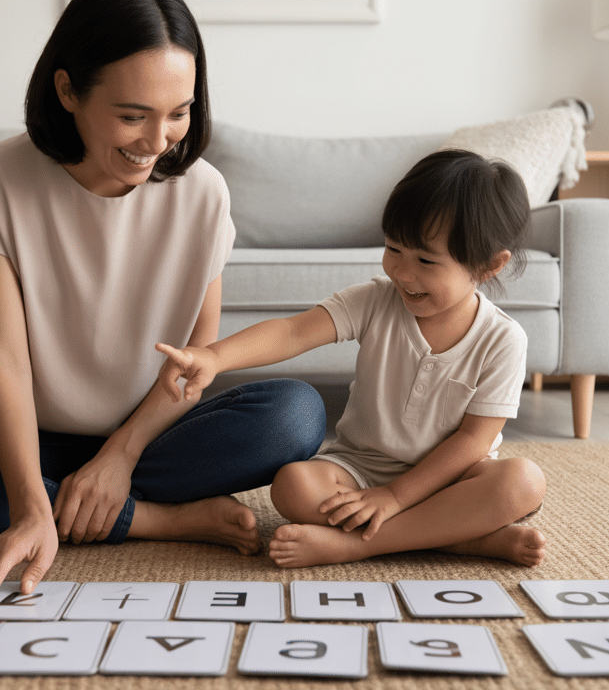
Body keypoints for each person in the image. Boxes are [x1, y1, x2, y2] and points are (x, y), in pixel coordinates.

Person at [0, 0, 326, 607]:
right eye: (132, 116)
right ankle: (152, 519)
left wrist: (119, 454)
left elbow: (196, 357)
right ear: (68, 90)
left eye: (179, 113)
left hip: (149, 439)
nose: (156, 141)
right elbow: (4, 360)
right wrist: (29, 496)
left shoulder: (203, 192)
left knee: (295, 415)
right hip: (22, 437)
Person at [158, 149, 547, 569]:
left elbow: (473, 442)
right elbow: (293, 332)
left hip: (447, 480)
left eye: (426, 261)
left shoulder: (503, 339)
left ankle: (359, 545)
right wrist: (214, 357)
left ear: (489, 266)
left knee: (523, 481)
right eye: (393, 249)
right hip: (360, 470)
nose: (402, 272)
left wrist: (396, 498)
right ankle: (459, 538)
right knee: (292, 486)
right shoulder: (377, 300)